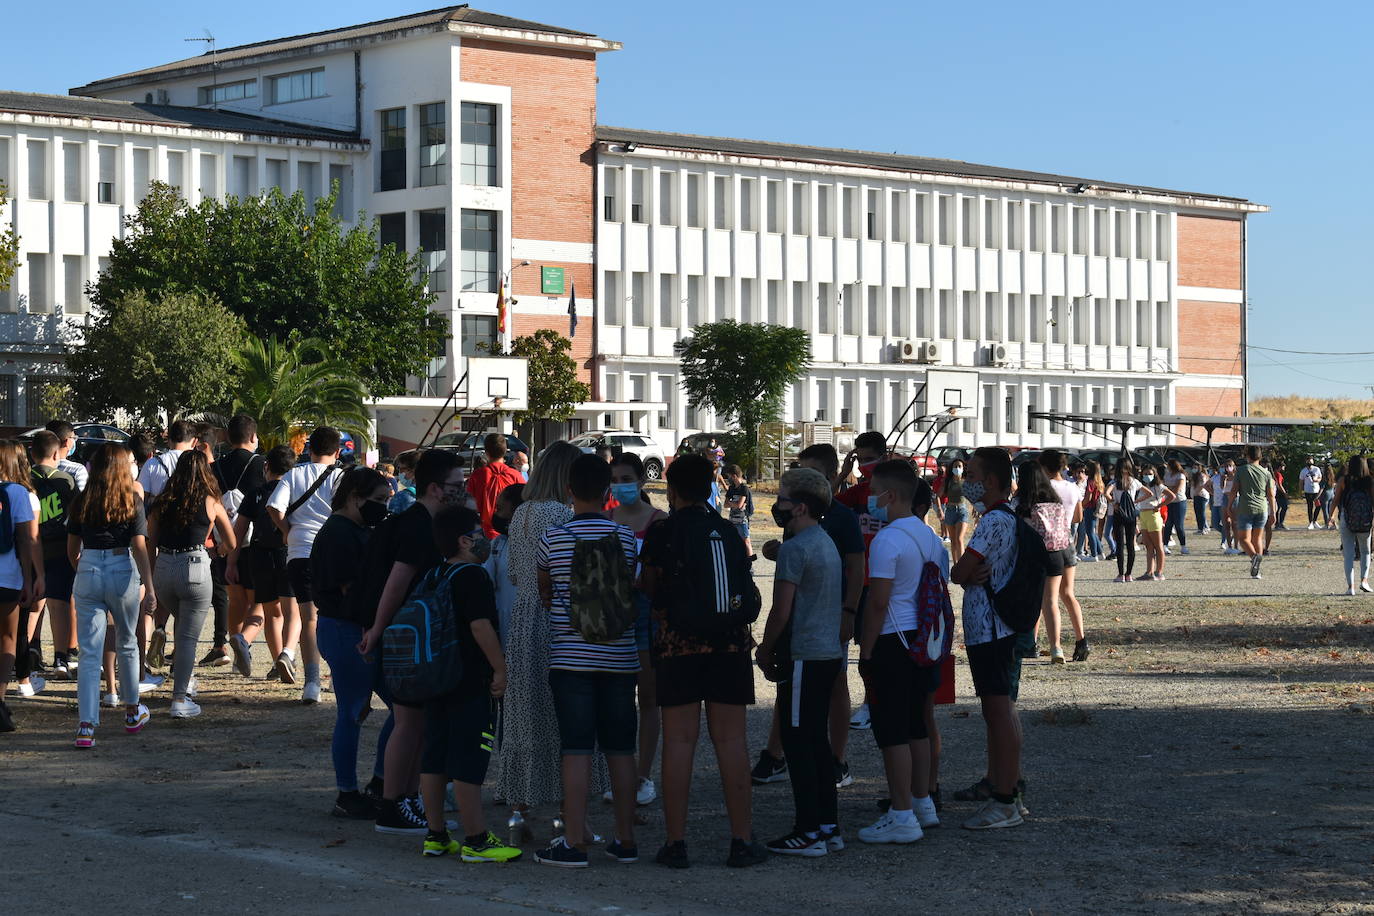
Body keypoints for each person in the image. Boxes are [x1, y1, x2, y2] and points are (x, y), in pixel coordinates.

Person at [639, 453, 765, 869]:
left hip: (678, 646)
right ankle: (741, 841)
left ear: (671, 490)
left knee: (679, 743)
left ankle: (676, 843)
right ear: (709, 486)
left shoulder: (664, 531)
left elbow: (649, 586)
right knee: (731, 743)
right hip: (729, 646)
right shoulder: (727, 530)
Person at [532, 455, 641, 868]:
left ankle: (573, 841)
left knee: (575, 750)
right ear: (608, 491)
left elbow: (544, 589)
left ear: (569, 491)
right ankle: (625, 840)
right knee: (621, 749)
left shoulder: (553, 538)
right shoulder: (626, 537)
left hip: (570, 658)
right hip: (620, 658)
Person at [359, 448, 467, 835]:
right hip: (408, 638)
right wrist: (378, 628)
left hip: (415, 635)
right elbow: (396, 582)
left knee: (419, 723)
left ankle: (405, 798)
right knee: (407, 722)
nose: (463, 490)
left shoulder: (422, 521)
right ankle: (391, 804)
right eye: (457, 485)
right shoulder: (418, 526)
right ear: (436, 488)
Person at [755, 444, 865, 793]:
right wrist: (779, 552)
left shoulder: (842, 517)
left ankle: (837, 760)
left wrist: (849, 610)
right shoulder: (799, 522)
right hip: (800, 621)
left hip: (827, 618)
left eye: (812, 474)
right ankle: (776, 755)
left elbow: (857, 567)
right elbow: (800, 564)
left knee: (833, 687)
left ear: (830, 478)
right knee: (792, 687)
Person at [493, 440, 586, 844]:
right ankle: (567, 814)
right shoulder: (563, 515)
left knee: (525, 712)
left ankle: (519, 811)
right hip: (557, 618)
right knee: (564, 714)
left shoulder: (523, 514)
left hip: (524, 619)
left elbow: (514, 573)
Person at [417, 505, 522, 862]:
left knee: (434, 757)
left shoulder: (433, 574)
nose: (485, 539)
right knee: (468, 759)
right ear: (464, 540)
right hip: (466, 681)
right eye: (478, 532)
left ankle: (435, 834)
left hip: (434, 678)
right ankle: (476, 840)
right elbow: (481, 627)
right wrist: (501, 669)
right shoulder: (472, 576)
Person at [852, 460, 945, 843]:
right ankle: (922, 802)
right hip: (924, 639)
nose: (869, 496)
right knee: (916, 724)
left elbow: (878, 602)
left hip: (893, 639)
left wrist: (866, 650)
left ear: (889, 495)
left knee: (891, 732)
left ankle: (901, 812)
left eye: (872, 489)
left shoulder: (887, 539)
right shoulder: (931, 537)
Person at [754, 467, 843, 856]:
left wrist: (764, 648)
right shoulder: (825, 541)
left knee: (798, 742)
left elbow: (781, 609)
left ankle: (808, 830)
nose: (777, 504)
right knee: (816, 741)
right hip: (827, 654)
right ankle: (828, 825)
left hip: (804, 654)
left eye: (783, 498)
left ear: (801, 507)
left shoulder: (796, 547)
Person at [949, 447, 1030, 830]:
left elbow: (961, 570)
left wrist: (963, 572)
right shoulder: (998, 518)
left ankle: (1006, 800)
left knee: (1000, 712)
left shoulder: (995, 521)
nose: (967, 482)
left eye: (974, 474)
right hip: (991, 629)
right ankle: (1006, 788)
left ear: (992, 481)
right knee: (996, 711)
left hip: (993, 628)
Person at [312, 466, 394, 819]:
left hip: (363, 628)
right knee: (353, 712)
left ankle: (378, 781)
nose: (383, 508)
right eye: (378, 501)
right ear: (354, 497)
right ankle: (348, 792)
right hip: (348, 629)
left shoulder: (361, 528)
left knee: (405, 707)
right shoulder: (338, 533)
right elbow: (352, 589)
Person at [67, 443, 156, 748]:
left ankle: (86, 726)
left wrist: (86, 567)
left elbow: (71, 549)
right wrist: (150, 586)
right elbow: (140, 546)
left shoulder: (82, 500)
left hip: (89, 564)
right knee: (127, 641)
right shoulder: (132, 498)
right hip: (121, 566)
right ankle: (132, 712)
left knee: (90, 654)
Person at [146, 449, 236, 719]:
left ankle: (185, 678)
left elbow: (151, 543)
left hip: (164, 569)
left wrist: (151, 579)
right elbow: (230, 542)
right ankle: (179, 698)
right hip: (195, 565)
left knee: (181, 622)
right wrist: (216, 552)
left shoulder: (161, 502)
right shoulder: (211, 502)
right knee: (187, 639)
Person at [267, 426, 345, 703]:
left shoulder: (293, 474)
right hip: (333, 551)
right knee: (337, 617)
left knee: (308, 618)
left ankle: (311, 683)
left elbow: (274, 507)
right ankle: (337, 677)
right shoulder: (341, 477)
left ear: (309, 449)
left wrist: (287, 530)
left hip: (299, 551)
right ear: (337, 452)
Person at [609, 452, 666, 808]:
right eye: (614, 479)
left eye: (626, 478)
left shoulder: (660, 522)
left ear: (641, 481)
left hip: (647, 619)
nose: (620, 485)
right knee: (615, 703)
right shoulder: (605, 519)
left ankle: (643, 775)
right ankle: (617, 775)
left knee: (648, 699)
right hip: (612, 621)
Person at [834, 430, 890, 730]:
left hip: (887, 577)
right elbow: (825, 506)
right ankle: (871, 704)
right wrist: (843, 473)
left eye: (871, 459)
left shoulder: (898, 490)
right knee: (864, 647)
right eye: (862, 459)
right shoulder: (857, 492)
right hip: (861, 578)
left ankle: (874, 704)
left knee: (878, 649)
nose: (866, 465)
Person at [227, 445, 296, 679]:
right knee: (290, 612)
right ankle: (286, 657)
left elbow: (239, 530)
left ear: (266, 467)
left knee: (272, 613)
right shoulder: (293, 491)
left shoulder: (256, 493)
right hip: (288, 553)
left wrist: (231, 563)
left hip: (259, 555)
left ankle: (278, 662)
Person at [204, 414, 265, 669]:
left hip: (223, 540)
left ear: (228, 438)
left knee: (235, 598)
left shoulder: (215, 466)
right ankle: (243, 641)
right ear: (253, 437)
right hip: (254, 540)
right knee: (258, 602)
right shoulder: (261, 464)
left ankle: (232, 645)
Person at [30, 431, 79, 680]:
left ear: (32, 453)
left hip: (31, 548)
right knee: (59, 603)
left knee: (32, 604)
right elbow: (75, 515)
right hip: (60, 547)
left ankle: (28, 652)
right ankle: (61, 658)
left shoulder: (24, 480)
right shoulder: (66, 481)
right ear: (56, 452)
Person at [0, 441, 40, 732]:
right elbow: (27, 540)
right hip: (8, 576)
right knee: (7, 638)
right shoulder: (18, 493)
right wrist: (29, 578)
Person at [1037, 451, 1087, 663]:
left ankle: (1053, 645)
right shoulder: (1072, 487)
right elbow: (1078, 516)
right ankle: (1081, 640)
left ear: (1045, 467)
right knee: (1068, 594)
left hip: (1049, 543)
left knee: (1048, 598)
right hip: (1067, 540)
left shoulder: (1044, 487)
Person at [485, 483, 523, 649]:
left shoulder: (542, 543)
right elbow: (487, 581)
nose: (496, 515)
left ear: (517, 511)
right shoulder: (498, 544)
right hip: (503, 631)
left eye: (500, 509)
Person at [466, 433, 525, 539]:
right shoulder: (515, 475)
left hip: (485, 532)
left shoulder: (478, 475)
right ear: (505, 451)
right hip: (511, 532)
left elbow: (470, 506)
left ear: (486, 452)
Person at [1230, 445, 1276, 579]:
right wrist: (1273, 512)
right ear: (1260, 456)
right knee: (1257, 538)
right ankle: (1257, 569)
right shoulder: (1266, 473)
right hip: (1262, 508)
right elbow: (1271, 495)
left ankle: (1254, 557)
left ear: (1247, 455)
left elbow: (1234, 490)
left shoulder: (1241, 470)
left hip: (1246, 507)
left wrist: (1229, 505)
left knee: (1244, 540)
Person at [1333, 456, 1373, 596]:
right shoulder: (1369, 481)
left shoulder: (1344, 480)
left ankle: (1351, 587)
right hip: (1365, 520)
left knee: (1348, 554)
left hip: (1347, 518)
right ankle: (1364, 581)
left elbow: (1336, 499)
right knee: (1365, 551)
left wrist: (1331, 516)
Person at [137, 420, 196, 506]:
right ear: (194, 442)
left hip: (158, 516)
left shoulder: (152, 463)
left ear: (169, 440)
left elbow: (141, 498)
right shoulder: (198, 465)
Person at [1135, 466, 1177, 581]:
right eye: (1145, 474)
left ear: (1155, 474)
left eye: (1149, 473)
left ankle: (1159, 572)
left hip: (1153, 515)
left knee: (1158, 545)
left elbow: (1172, 496)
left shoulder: (1159, 486)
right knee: (1148, 546)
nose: (1147, 476)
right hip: (1143, 515)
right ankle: (1149, 571)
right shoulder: (1142, 487)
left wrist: (1159, 505)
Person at [1107, 461, 1143, 583]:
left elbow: (1106, 493)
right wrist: (1136, 501)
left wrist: (1113, 502)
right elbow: (1149, 493)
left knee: (1120, 545)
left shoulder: (1115, 482)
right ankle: (1129, 574)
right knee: (1130, 545)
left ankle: (1120, 574)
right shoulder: (1134, 481)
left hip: (1119, 514)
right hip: (1131, 515)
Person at [937, 458, 971, 564]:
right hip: (950, 511)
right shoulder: (948, 482)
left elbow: (973, 496)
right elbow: (937, 496)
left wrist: (976, 509)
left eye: (959, 466)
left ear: (963, 468)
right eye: (955, 466)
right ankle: (956, 565)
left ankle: (962, 564)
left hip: (962, 511)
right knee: (953, 540)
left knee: (959, 539)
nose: (957, 468)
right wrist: (940, 510)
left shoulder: (966, 482)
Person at [46, 419, 89, 491]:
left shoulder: (34, 468)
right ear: (68, 442)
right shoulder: (77, 470)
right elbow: (82, 499)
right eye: (74, 438)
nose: (75, 441)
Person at [723, 464, 755, 559]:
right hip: (732, 519)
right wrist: (734, 503)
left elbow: (739, 505)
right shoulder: (731, 489)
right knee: (733, 541)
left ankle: (750, 563)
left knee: (746, 541)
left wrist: (732, 503)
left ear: (734, 476)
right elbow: (725, 504)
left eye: (729, 476)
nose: (729, 479)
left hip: (742, 520)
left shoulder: (744, 488)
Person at [1077, 461, 1104, 562]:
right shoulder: (1099, 481)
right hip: (1096, 507)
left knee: (1089, 531)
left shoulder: (1091, 481)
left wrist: (1081, 505)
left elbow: (1088, 497)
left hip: (1090, 507)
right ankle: (1100, 552)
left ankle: (1094, 554)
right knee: (1093, 531)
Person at [1162, 460, 1190, 555]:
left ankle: (1183, 546)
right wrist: (1168, 490)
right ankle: (1165, 545)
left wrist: (1169, 489)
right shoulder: (1167, 475)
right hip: (1169, 502)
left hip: (1179, 502)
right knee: (1168, 524)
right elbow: (1163, 487)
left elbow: (1177, 489)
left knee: (1179, 524)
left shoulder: (1181, 475)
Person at [388, 450, 421, 515]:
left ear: (413, 470)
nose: (399, 472)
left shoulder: (402, 497)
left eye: (401, 469)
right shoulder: (435, 494)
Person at [1300, 457, 1323, 529]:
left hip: (1316, 491)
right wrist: (1301, 491)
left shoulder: (1316, 469)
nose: (1310, 463)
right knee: (1310, 507)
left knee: (1318, 506)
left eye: (1311, 461)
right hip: (1308, 491)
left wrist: (1317, 480)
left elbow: (1320, 477)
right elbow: (1301, 481)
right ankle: (1310, 523)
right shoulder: (1303, 471)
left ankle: (1315, 521)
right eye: (1308, 461)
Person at [1192, 467, 1212, 534]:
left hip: (1202, 496)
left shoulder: (1202, 475)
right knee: (1198, 513)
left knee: (1201, 513)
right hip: (1196, 496)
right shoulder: (1195, 476)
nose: (1194, 468)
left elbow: (1203, 485)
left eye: (1195, 467)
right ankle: (1200, 528)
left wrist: (1197, 492)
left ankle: (1203, 528)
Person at [1272, 460, 1290, 530]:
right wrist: (1284, 493)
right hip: (1280, 493)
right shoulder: (1278, 474)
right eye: (1283, 467)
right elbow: (1279, 484)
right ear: (1280, 467)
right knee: (1284, 507)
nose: (1284, 468)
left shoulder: (1273, 473)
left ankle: (1277, 524)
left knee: (1277, 508)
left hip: (1275, 493)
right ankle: (1280, 523)